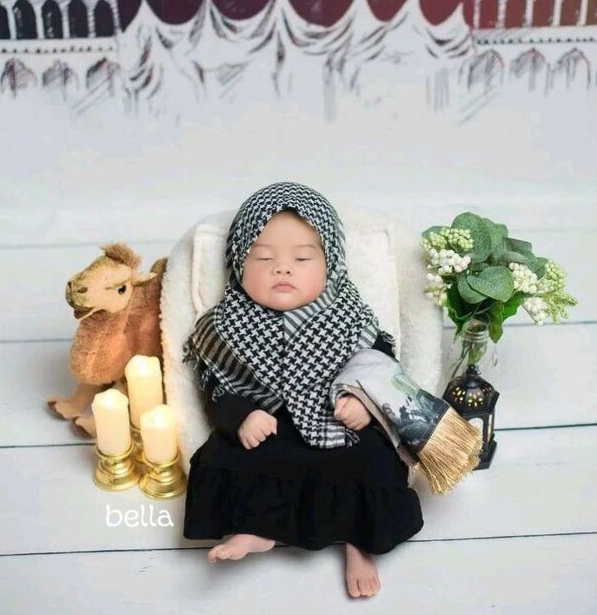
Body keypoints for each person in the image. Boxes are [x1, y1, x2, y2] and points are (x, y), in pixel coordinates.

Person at [182, 181, 424, 598]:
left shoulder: (349, 316)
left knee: (371, 463)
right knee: (223, 456)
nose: (283, 268)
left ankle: (358, 541)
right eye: (263, 258)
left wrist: (363, 403)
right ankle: (258, 530)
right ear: (238, 262)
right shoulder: (225, 325)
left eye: (302, 258)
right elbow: (216, 389)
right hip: (271, 426)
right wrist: (241, 417)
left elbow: (383, 368)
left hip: (338, 422)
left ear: (331, 263)